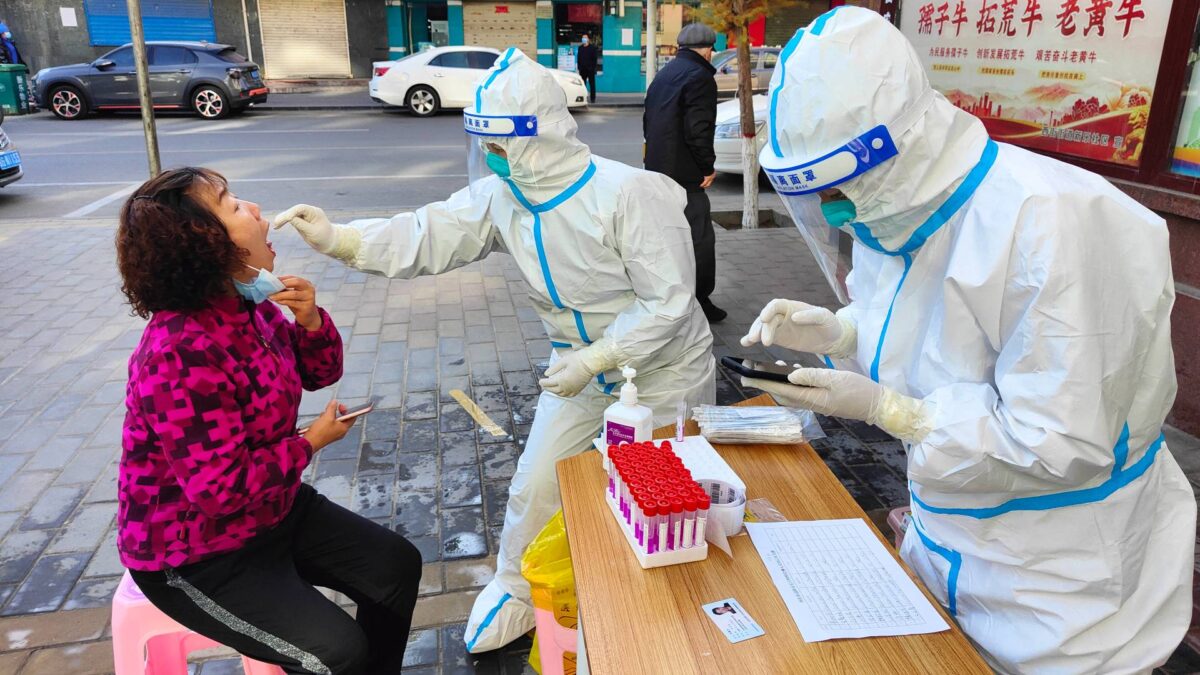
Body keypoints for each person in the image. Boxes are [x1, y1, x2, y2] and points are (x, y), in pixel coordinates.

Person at [740, 9, 1194, 673]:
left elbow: (1063, 437)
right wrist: (844, 328)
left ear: (891, 150)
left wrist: (897, 413)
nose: (836, 208)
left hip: (1063, 582)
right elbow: (929, 340)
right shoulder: (896, 213)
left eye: (839, 185)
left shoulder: (1054, 223)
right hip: (952, 533)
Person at [275, 48, 715, 653]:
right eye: (485, 144)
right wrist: (342, 239)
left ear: (540, 137)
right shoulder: (504, 196)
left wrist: (595, 358)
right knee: (536, 485)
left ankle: (661, 615)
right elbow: (430, 231)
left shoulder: (628, 193)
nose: (491, 158)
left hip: (663, 370)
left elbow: (668, 302)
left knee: (664, 497)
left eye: (502, 145)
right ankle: (517, 587)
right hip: (577, 372)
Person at [116, 167, 422, 674]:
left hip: (272, 512)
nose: (255, 211)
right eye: (233, 206)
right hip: (194, 554)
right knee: (337, 652)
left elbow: (320, 373)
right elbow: (219, 489)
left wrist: (310, 320)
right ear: (205, 245)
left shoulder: (248, 306)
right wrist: (308, 445)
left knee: (393, 567)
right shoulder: (180, 352)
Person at [643, 23, 724, 323]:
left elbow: (647, 121)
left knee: (668, 239)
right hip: (686, 175)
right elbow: (698, 129)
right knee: (699, 239)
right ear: (707, 50)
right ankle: (700, 301)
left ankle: (670, 298)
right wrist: (707, 166)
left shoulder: (664, 75)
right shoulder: (700, 77)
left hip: (657, 172)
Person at [576, 34, 597, 104]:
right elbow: (578, 58)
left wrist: (593, 68)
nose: (583, 39)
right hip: (583, 69)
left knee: (592, 84)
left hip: (590, 69)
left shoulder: (592, 48)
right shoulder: (580, 48)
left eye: (585, 38)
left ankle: (593, 98)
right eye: (582, 38)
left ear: (588, 39)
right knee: (583, 85)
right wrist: (579, 68)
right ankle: (584, 98)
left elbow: (594, 59)